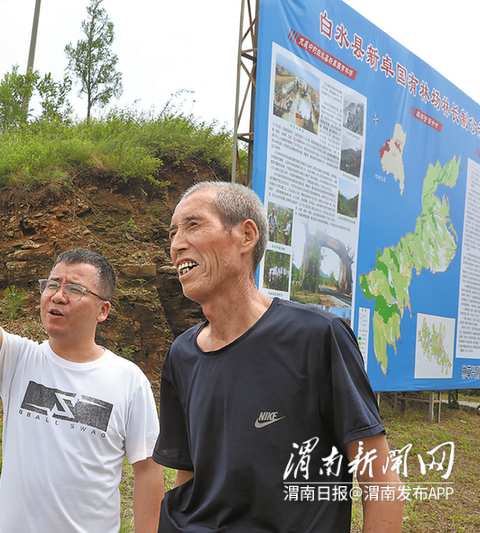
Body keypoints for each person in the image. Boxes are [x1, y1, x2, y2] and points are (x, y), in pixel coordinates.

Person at [153, 182, 403, 532]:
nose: (177, 244)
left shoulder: (318, 336)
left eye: (193, 225)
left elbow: (379, 479)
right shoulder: (182, 354)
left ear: (246, 235)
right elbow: (189, 475)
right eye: (173, 233)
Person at [0, 235, 164, 533]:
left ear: (102, 311)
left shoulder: (128, 380)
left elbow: (147, 470)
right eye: (52, 285)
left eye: (75, 290)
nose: (58, 296)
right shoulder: (18, 360)